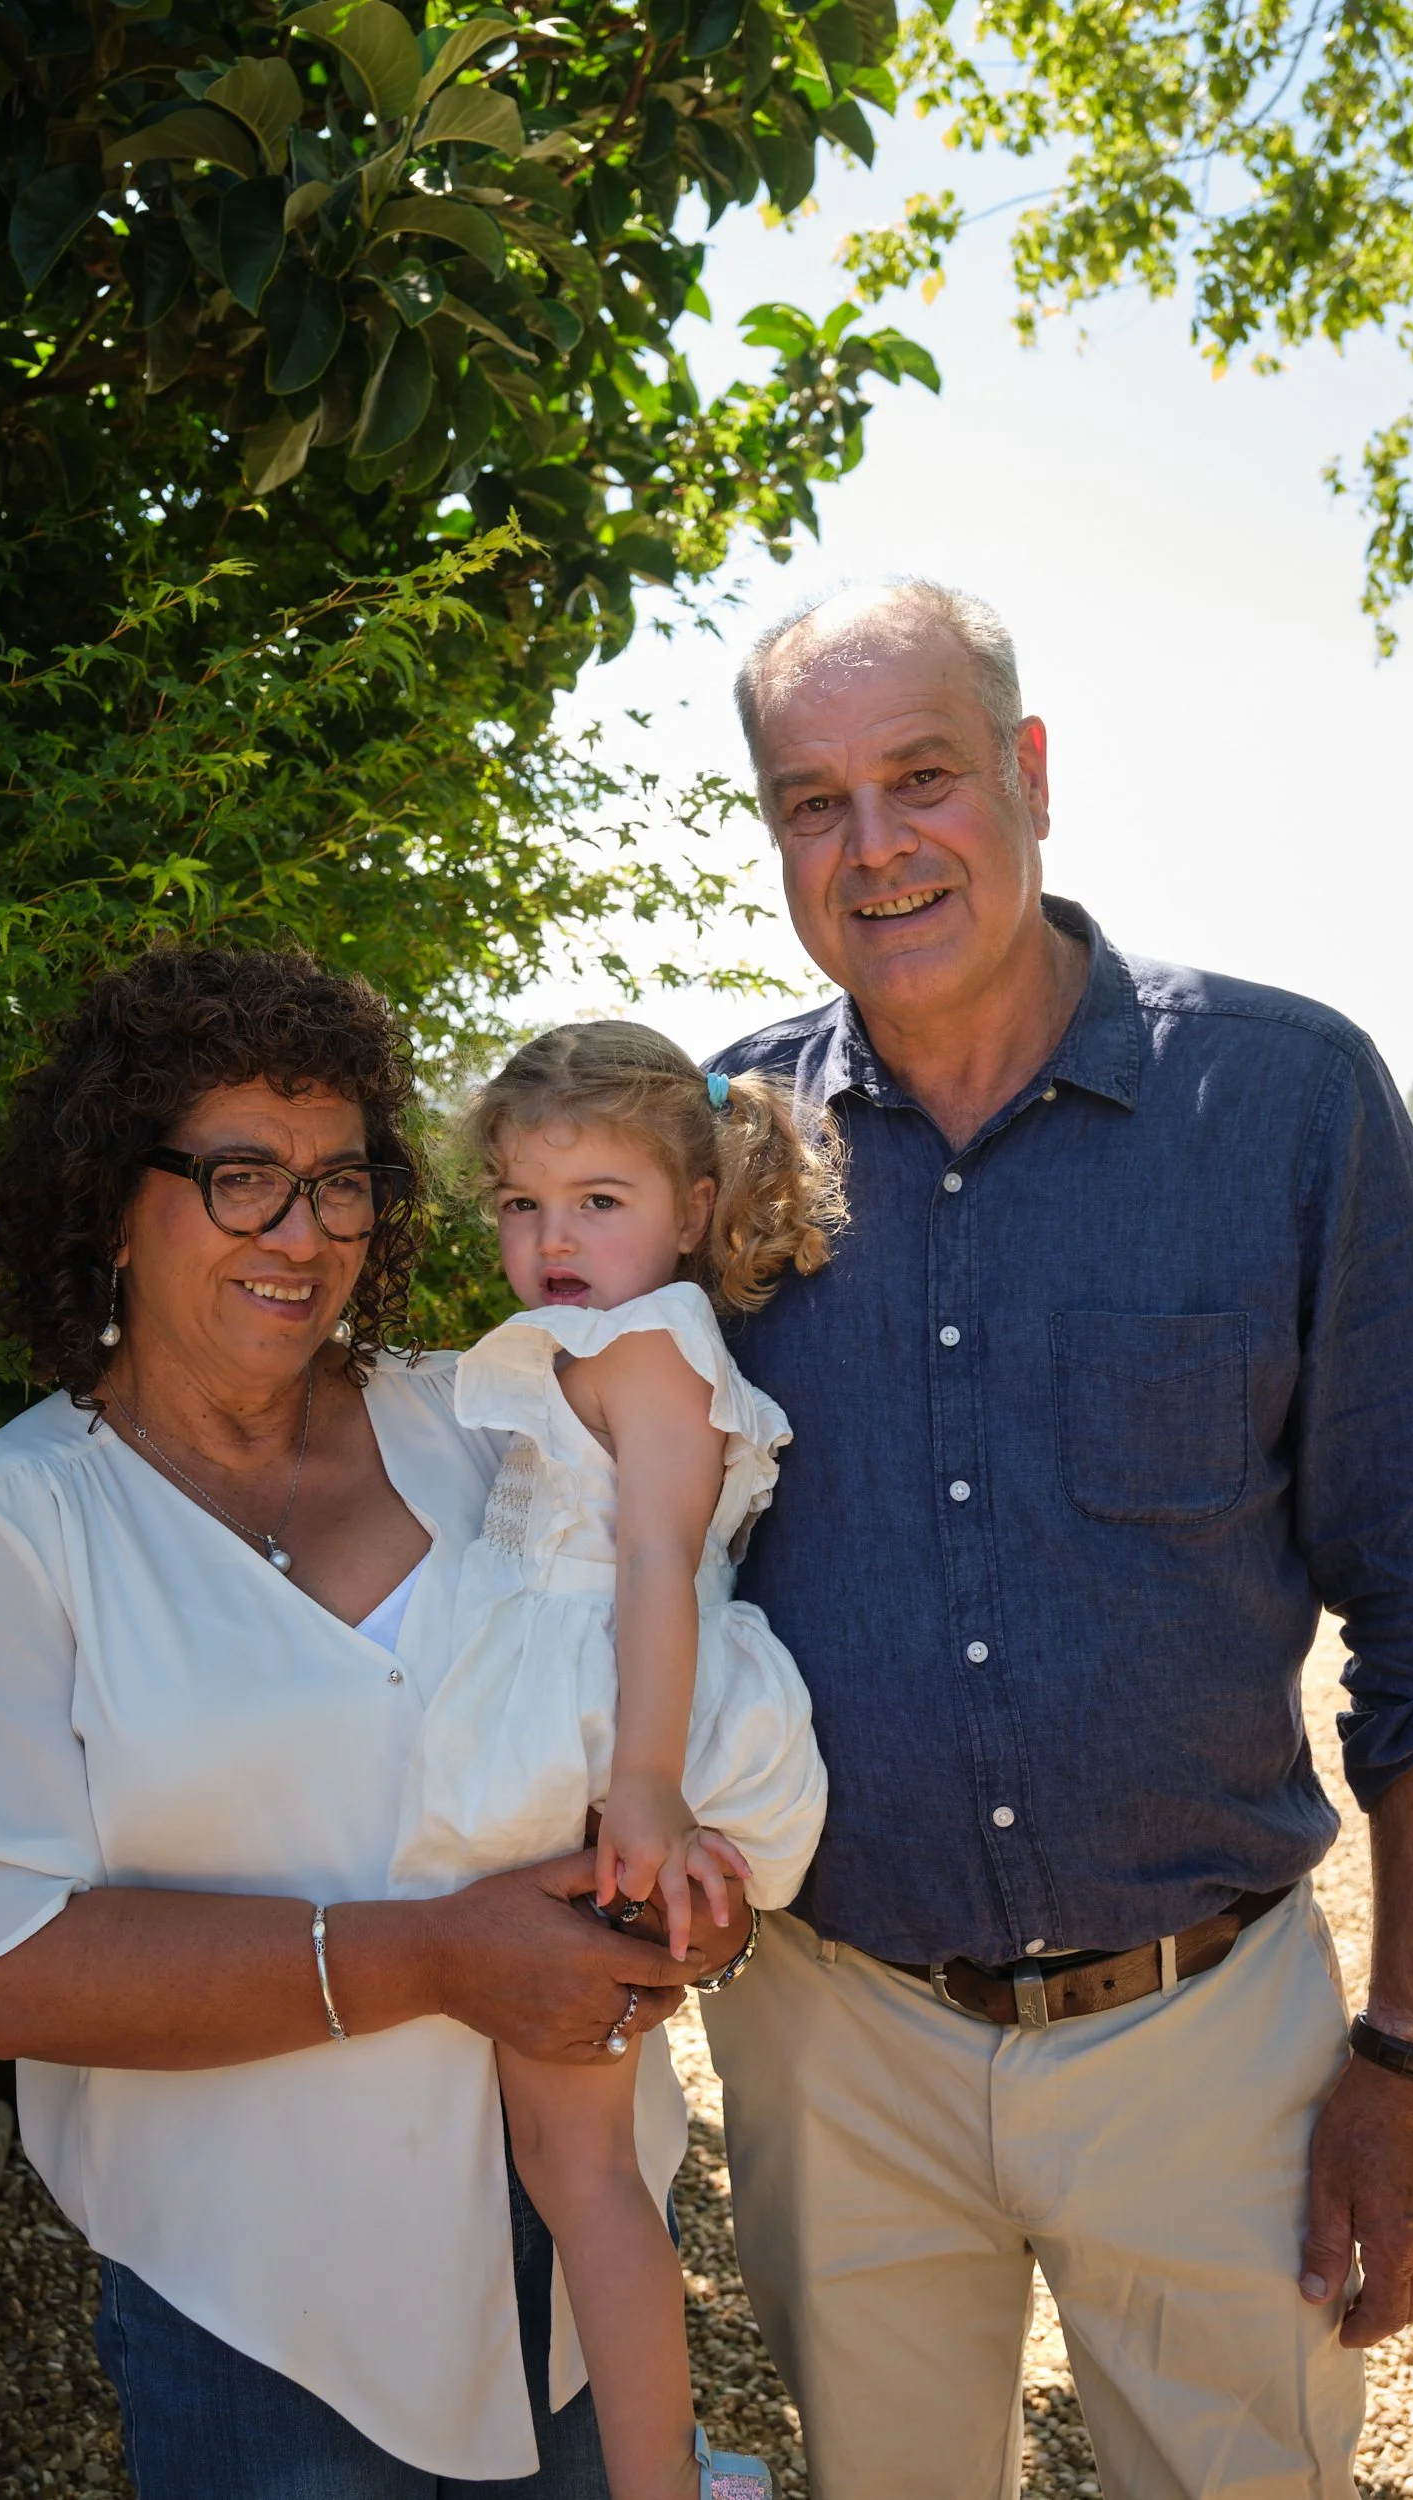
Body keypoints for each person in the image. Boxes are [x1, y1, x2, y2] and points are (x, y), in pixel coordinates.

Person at [699, 580, 1413, 2500]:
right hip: (835, 2035)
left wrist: (1405, 2066)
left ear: (1029, 777)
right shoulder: (722, 1151)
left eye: (921, 778)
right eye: (813, 803)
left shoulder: (1285, 1105)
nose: (873, 847)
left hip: (1205, 2036)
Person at [0, 944, 756, 2500]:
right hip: (255, 2317)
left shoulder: (486, 1417)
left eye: (340, 1182)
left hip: (571, 2256)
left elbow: (672, 1645)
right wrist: (435, 1956)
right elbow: (7, 1969)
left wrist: (697, 1911)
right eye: (241, 1178)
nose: (302, 1235)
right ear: (113, 1195)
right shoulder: (10, 1516)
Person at [390, 1020, 833, 2500]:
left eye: (597, 1202)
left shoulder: (647, 1348)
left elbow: (654, 1560)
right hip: (584, 1722)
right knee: (566, 2159)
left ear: (692, 1210)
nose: (551, 1237)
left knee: (580, 2176)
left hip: (593, 1741)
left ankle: (657, 2479)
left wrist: (644, 1783)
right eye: (522, 1204)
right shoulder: (610, 1340)